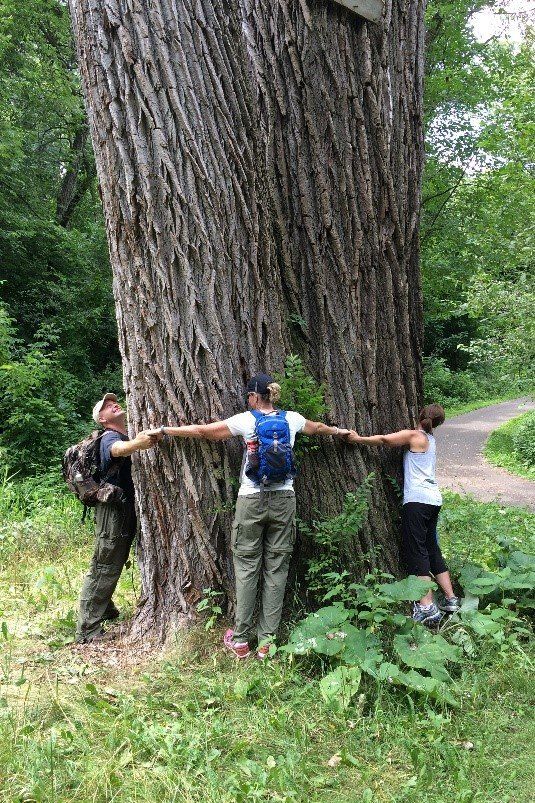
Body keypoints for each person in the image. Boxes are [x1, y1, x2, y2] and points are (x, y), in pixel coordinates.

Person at [157, 373, 349, 659]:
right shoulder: (292, 419)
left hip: (251, 499)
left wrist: (167, 430)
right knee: (277, 567)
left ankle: (242, 638)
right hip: (284, 499)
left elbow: (204, 432)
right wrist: (338, 432)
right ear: (273, 395)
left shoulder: (246, 421)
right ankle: (267, 641)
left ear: (252, 397)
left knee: (246, 566)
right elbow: (317, 427)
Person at [345, 403, 460, 626]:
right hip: (433, 500)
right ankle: (451, 598)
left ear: (420, 417)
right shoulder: (431, 440)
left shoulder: (414, 435)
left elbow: (385, 440)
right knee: (430, 547)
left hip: (417, 501)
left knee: (416, 549)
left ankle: (426, 607)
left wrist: (358, 439)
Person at [75, 394, 160, 643]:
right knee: (104, 564)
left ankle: (105, 608)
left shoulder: (123, 434)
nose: (113, 403)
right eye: (106, 405)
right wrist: (138, 444)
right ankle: (87, 629)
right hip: (113, 512)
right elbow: (116, 450)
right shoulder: (110, 437)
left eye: (113, 401)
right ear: (102, 419)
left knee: (111, 559)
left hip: (121, 510)